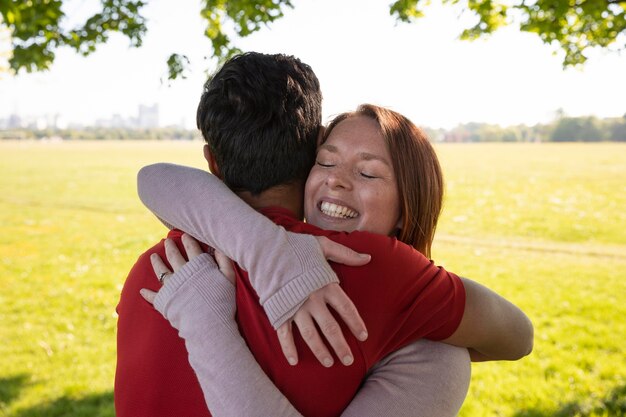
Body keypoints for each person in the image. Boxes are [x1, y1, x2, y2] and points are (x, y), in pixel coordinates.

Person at [115, 53, 474, 417]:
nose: (337, 179)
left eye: (367, 173)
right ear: (314, 150)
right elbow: (516, 335)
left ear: (212, 163)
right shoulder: (363, 267)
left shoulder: (153, 270)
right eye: (329, 162)